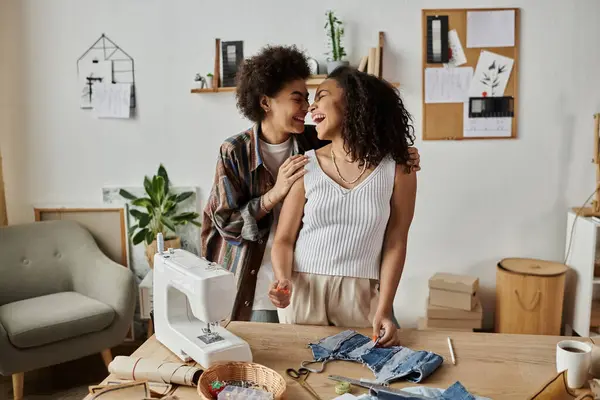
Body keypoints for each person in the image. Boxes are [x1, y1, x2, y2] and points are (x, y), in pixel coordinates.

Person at [201, 45, 421, 323]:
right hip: (257, 275)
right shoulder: (235, 151)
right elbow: (226, 224)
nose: (308, 108)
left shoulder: (313, 138)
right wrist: (274, 194)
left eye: (311, 98)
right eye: (299, 99)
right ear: (266, 103)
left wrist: (402, 153)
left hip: (316, 274)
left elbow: (357, 138)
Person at [269, 66, 417, 347]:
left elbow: (396, 242)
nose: (311, 106)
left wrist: (385, 308)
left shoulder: (399, 168)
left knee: (354, 380)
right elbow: (284, 240)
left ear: (355, 104)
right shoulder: (306, 164)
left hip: (360, 294)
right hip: (303, 290)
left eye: (321, 96)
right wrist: (282, 280)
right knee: (301, 375)